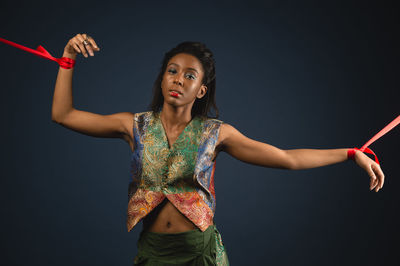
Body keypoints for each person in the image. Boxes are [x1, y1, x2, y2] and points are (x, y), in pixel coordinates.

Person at [51, 33, 385, 266]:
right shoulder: (133, 125)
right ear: (162, 78)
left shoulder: (216, 133)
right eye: (172, 71)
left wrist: (350, 153)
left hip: (200, 255)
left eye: (189, 75)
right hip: (153, 252)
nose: (178, 79)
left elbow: (287, 159)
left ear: (201, 90)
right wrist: (67, 58)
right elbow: (63, 115)